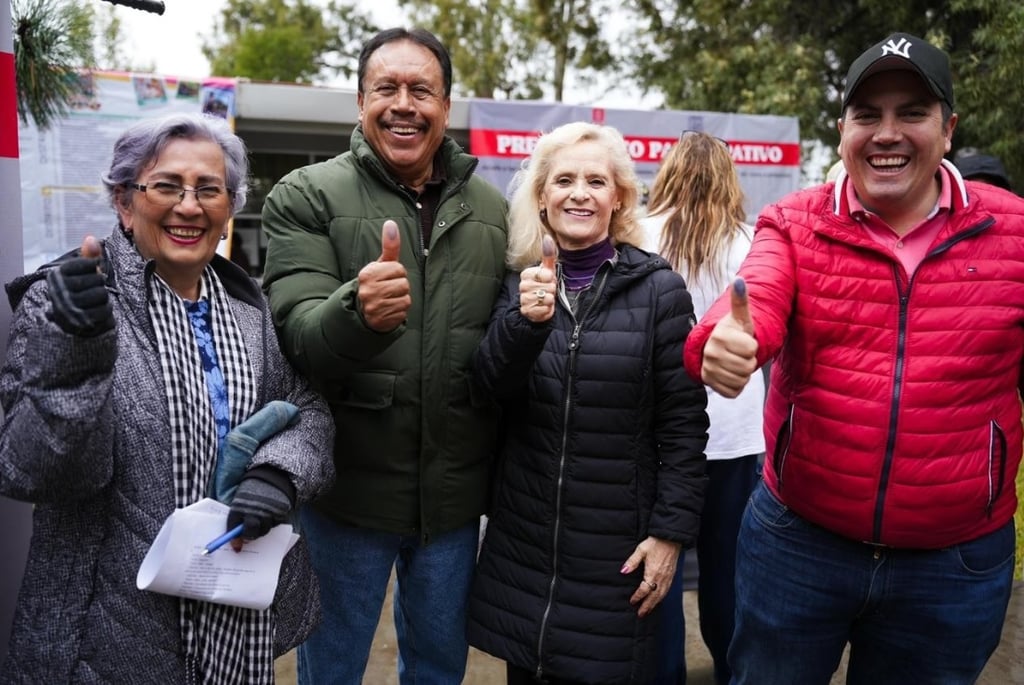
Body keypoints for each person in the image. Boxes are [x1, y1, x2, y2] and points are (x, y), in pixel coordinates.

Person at [685, 32, 1024, 684]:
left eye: (912, 113)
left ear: (947, 129)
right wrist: (721, 346)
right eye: (868, 115)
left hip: (952, 564)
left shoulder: (1012, 233)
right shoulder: (793, 222)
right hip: (798, 545)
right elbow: (752, 302)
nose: (887, 133)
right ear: (843, 131)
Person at [0, 112, 335, 683]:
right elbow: (36, 474)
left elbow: (307, 409)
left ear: (229, 207)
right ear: (125, 204)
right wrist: (78, 355)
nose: (189, 206)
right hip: (103, 638)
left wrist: (277, 476)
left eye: (209, 189)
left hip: (235, 626)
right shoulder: (66, 306)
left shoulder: (248, 315)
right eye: (166, 186)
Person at [259, 27, 509, 685]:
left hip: (453, 509)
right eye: (386, 88)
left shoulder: (491, 209)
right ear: (361, 101)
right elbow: (297, 336)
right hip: (348, 501)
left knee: (437, 669)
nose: (404, 104)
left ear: (447, 107)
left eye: (421, 89)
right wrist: (357, 314)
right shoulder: (305, 194)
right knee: (331, 669)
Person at [465, 121, 709, 685]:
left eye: (596, 181)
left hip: (613, 553)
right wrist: (524, 324)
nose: (579, 192)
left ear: (619, 196)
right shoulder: (516, 284)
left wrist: (670, 534)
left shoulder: (660, 291)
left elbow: (683, 425)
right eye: (564, 180)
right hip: (524, 551)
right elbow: (486, 388)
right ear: (542, 198)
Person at [640, 130, 764, 685]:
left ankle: (661, 672)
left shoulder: (637, 235)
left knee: (654, 569)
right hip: (737, 434)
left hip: (656, 434)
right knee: (728, 573)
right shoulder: (754, 242)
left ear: (667, 173)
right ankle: (730, 671)